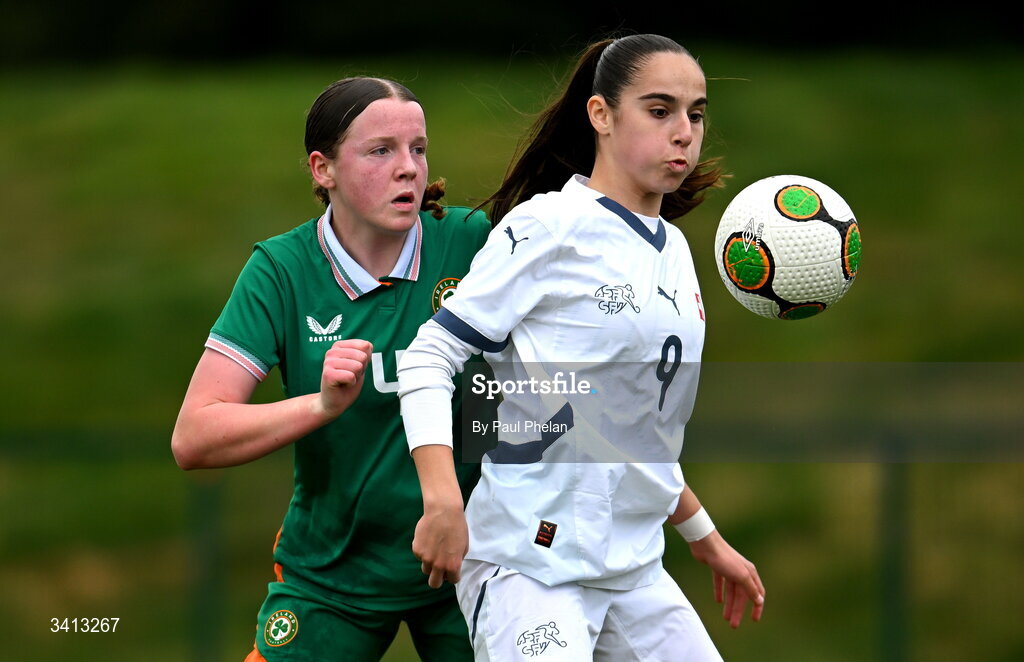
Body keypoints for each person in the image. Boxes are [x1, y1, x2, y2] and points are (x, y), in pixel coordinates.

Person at [396, 35, 765, 661]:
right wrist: (441, 498)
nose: (684, 132)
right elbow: (429, 357)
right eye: (659, 110)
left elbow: (627, 428)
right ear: (601, 115)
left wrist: (705, 537)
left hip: (634, 571)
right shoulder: (548, 227)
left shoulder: (672, 251)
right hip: (530, 567)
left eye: (695, 114)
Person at [171, 77, 490, 662]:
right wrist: (320, 406)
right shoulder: (282, 269)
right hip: (332, 576)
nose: (408, 169)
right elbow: (194, 437)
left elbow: (563, 385)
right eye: (380, 151)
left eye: (418, 149)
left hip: (475, 563)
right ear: (323, 170)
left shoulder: (475, 243)